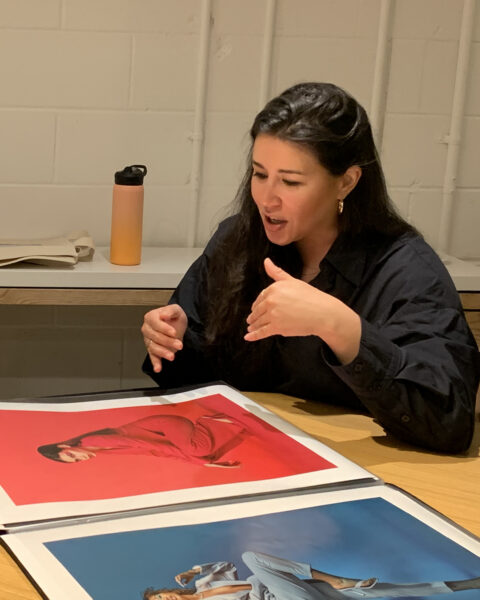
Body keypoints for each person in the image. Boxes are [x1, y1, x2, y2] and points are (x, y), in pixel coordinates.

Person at [141, 82, 479, 453]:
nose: (268, 198)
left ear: (346, 182)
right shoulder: (237, 241)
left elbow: (449, 423)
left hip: (364, 477)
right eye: (259, 174)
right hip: (244, 458)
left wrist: (342, 328)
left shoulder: (406, 270)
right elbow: (197, 387)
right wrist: (173, 339)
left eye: (290, 181)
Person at [143, 550, 480, 599]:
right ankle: (336, 579)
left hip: (299, 589)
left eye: (160, 596)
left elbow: (226, 568)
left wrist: (192, 571)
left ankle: (465, 585)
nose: (166, 599)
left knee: (378, 592)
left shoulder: (204, 584)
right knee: (251, 556)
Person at [37, 412, 247, 467]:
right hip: (167, 437)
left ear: (64, 445)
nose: (80, 458)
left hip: (166, 427)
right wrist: (206, 463)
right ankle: (235, 428)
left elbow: (149, 444)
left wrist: (198, 461)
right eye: (75, 461)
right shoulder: (104, 452)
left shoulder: (95, 440)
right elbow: (153, 452)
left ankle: (213, 421)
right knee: (208, 456)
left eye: (72, 455)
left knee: (197, 451)